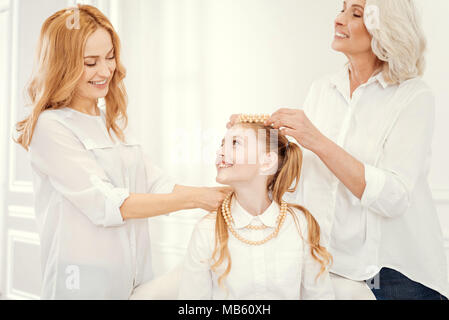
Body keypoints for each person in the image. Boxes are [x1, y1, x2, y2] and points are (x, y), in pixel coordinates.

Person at [229, 0, 448, 300]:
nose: (339, 20)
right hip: (331, 268)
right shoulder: (323, 90)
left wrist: (317, 140)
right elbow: (304, 174)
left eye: (355, 13)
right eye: (341, 9)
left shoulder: (414, 96)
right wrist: (258, 135)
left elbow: (394, 197)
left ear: (386, 29)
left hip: (398, 277)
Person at [15, 5, 229, 299]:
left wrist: (215, 193)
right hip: (82, 284)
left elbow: (157, 184)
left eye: (110, 57)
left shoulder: (111, 123)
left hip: (135, 278)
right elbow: (110, 204)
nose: (105, 71)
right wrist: (195, 199)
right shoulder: (50, 128)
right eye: (90, 62)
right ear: (63, 66)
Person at [178, 115, 334, 299]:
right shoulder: (207, 230)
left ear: (267, 162)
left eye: (235, 143)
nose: (220, 152)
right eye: (222, 144)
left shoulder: (301, 225)